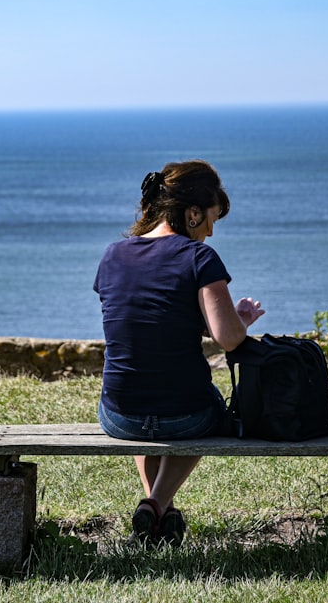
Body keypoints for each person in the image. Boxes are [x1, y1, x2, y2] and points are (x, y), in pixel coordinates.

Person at [93, 159, 265, 547]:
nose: (210, 231)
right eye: (210, 219)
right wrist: (241, 318)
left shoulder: (112, 256)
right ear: (191, 213)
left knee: (146, 395)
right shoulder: (199, 258)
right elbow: (229, 340)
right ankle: (156, 503)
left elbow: (146, 321)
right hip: (188, 418)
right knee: (211, 411)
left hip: (119, 416)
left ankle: (159, 513)